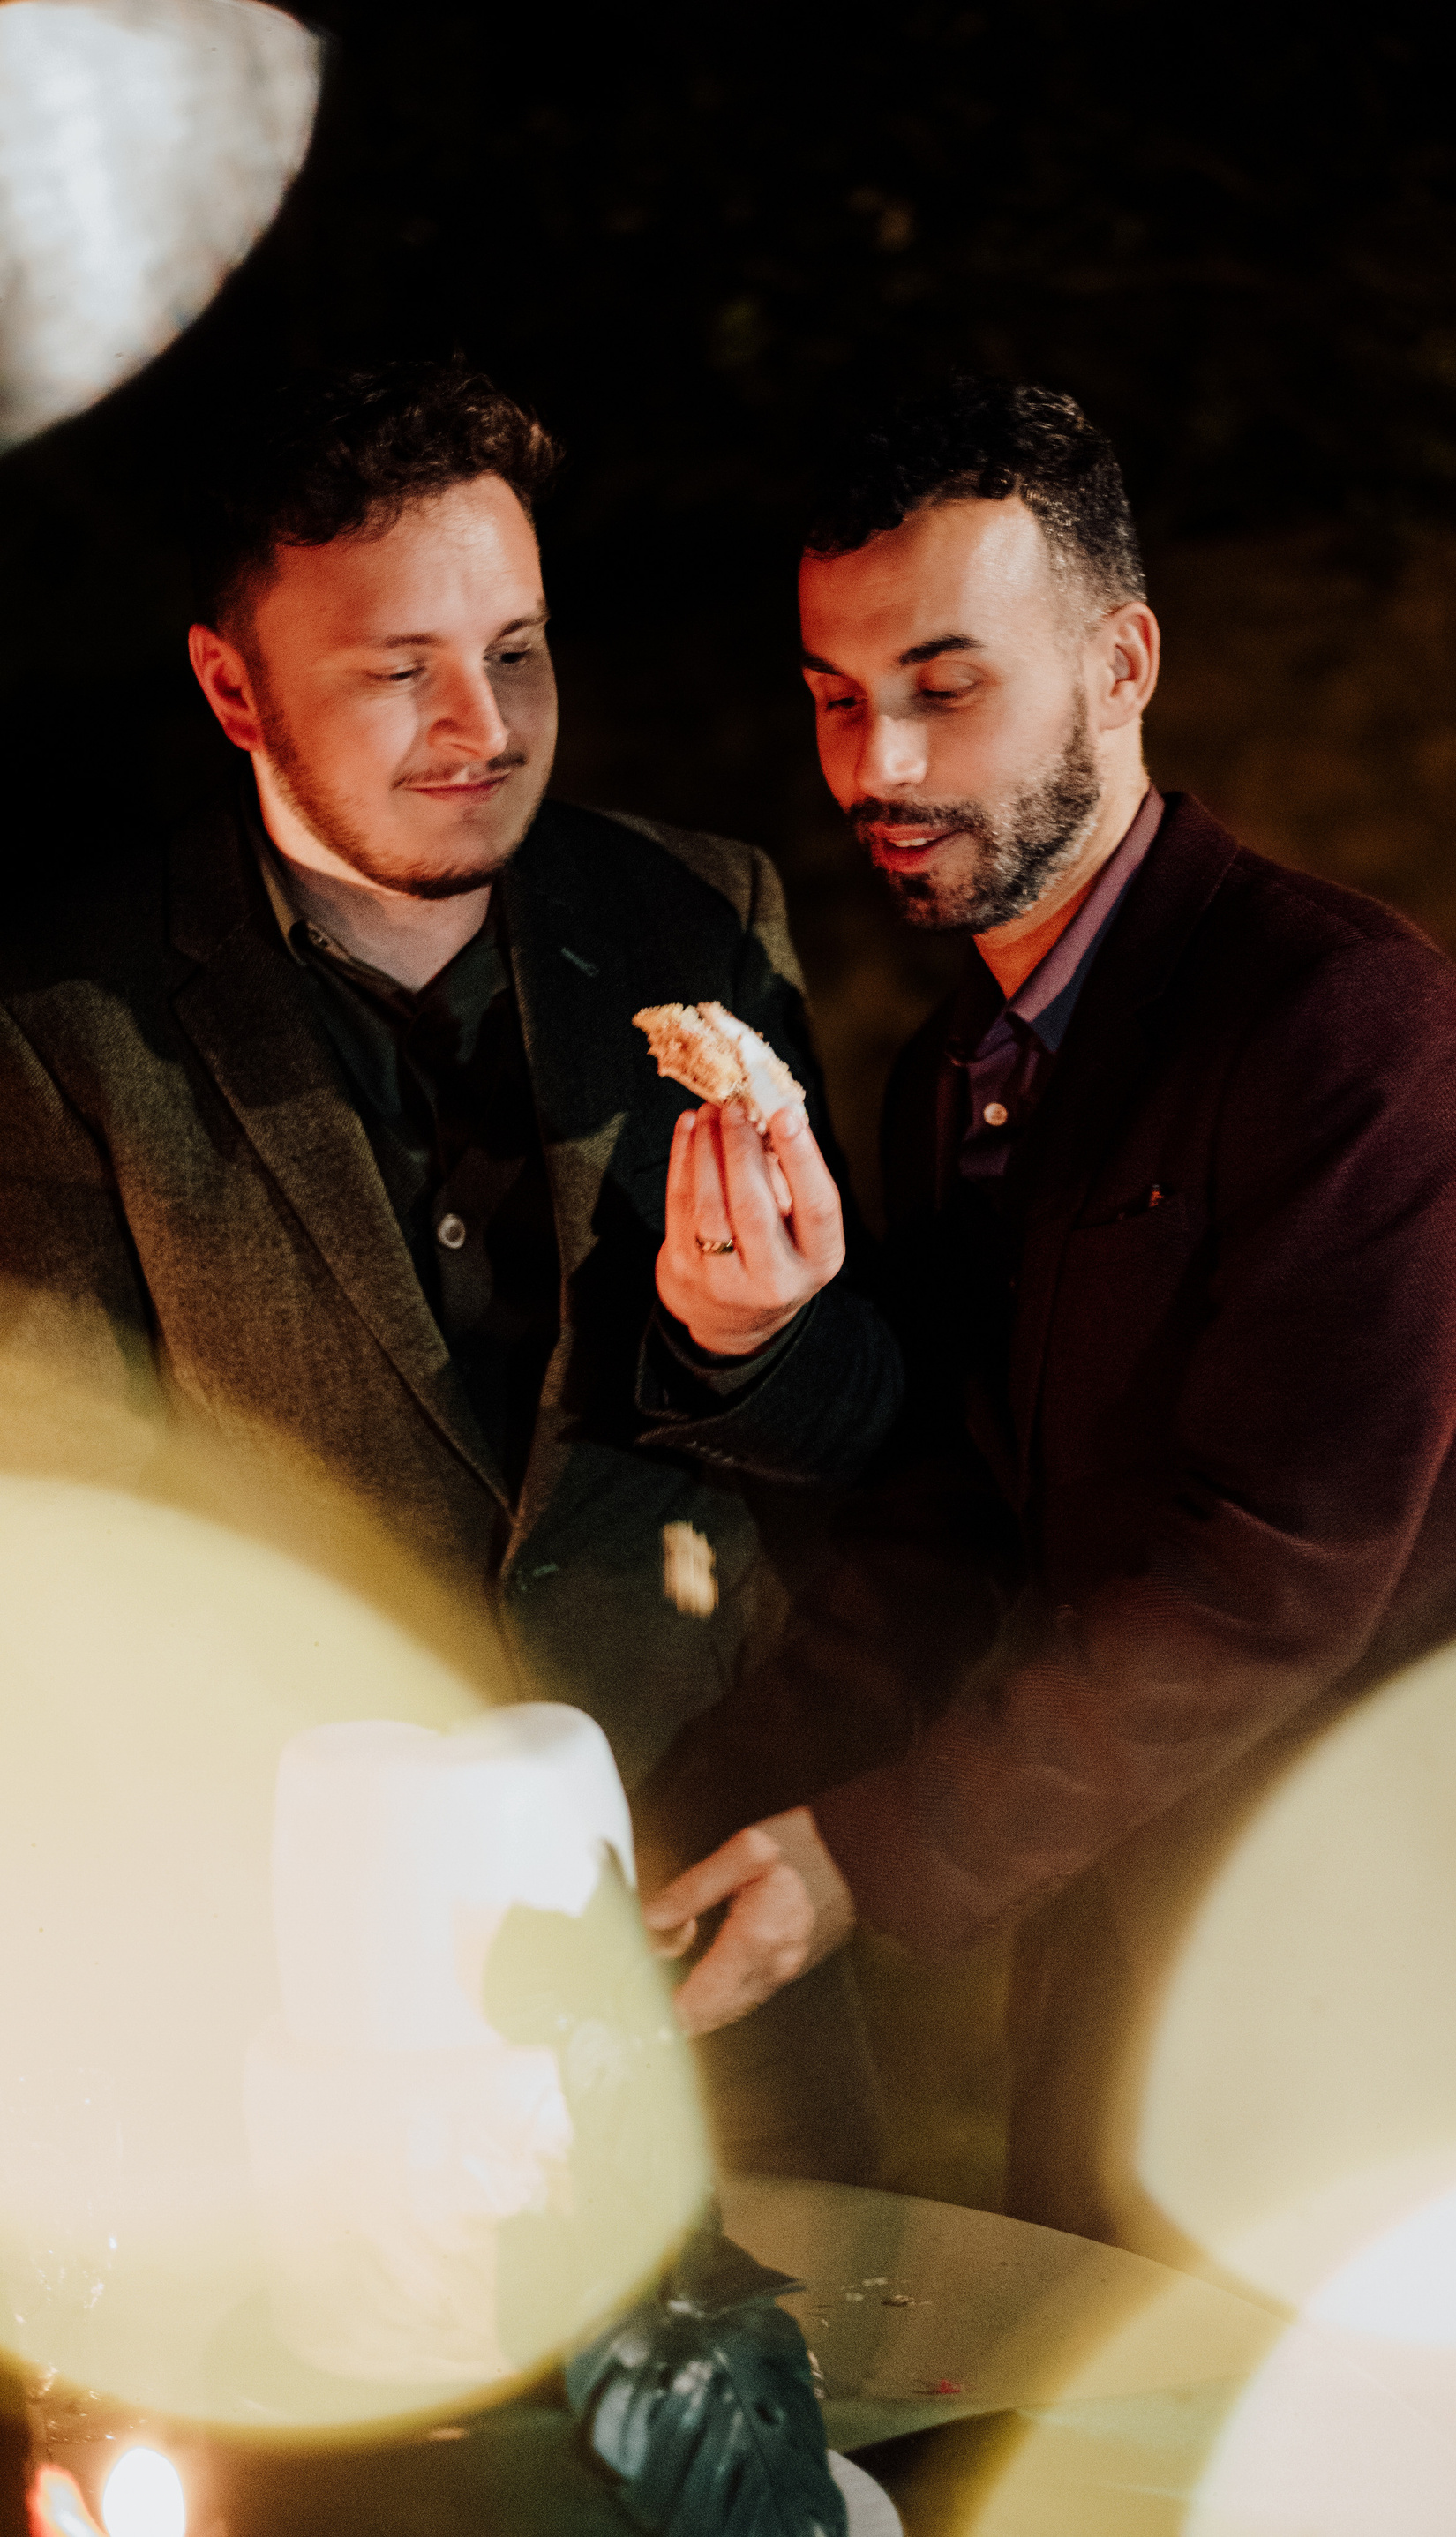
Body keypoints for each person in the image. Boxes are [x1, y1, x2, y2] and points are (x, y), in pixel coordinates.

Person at [640, 377, 1456, 2253]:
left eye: (945, 685)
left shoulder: (1349, 1024)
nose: (877, 765)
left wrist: (869, 1857)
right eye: (835, 696)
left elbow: (1271, 1572)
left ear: (1122, 664)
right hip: (1109, 1983)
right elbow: (945, 1526)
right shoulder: (950, 1071)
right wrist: (684, 1827)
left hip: (1394, 1981)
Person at [0, 357, 900, 2181]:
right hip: (316, 1995)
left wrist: (757, 1341)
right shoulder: (64, 1016)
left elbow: (864, 1434)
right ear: (233, 687)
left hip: (697, 1916)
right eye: (398, 668)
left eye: (516, 648)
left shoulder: (704, 914)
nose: (482, 723)